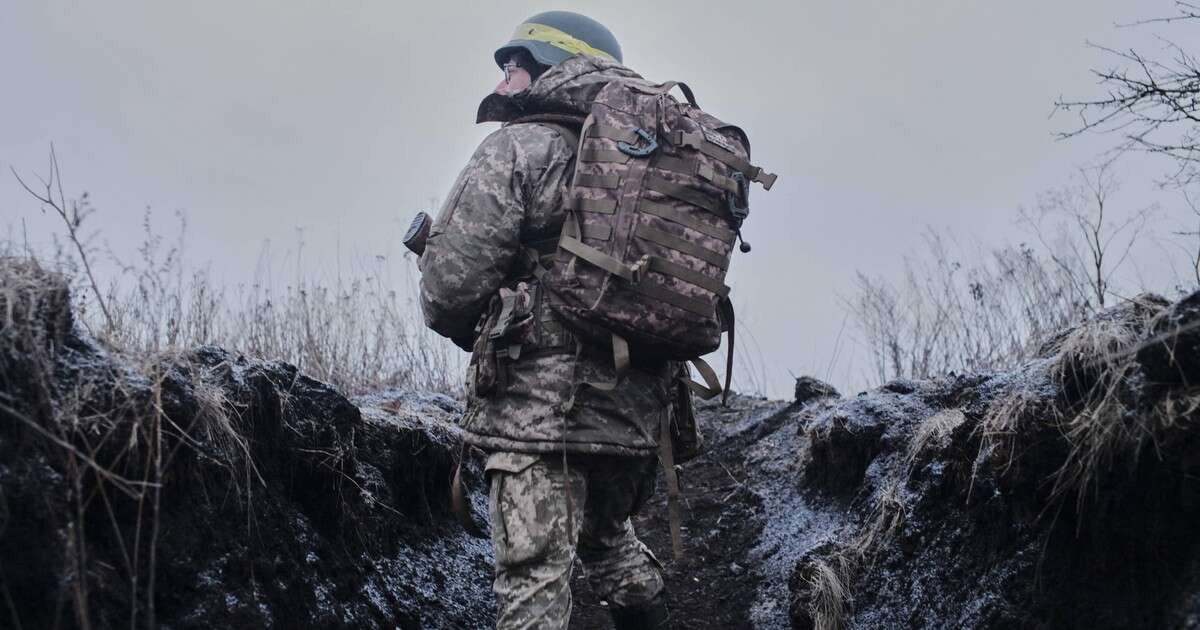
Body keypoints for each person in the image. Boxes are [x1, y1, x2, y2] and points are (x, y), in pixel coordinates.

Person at [419, 10, 674, 630]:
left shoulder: (519, 146)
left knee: (534, 576)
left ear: (554, 67)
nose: (506, 75)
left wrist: (478, 329)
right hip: (636, 414)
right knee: (608, 544)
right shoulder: (654, 159)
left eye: (519, 62)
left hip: (537, 413)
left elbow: (451, 286)